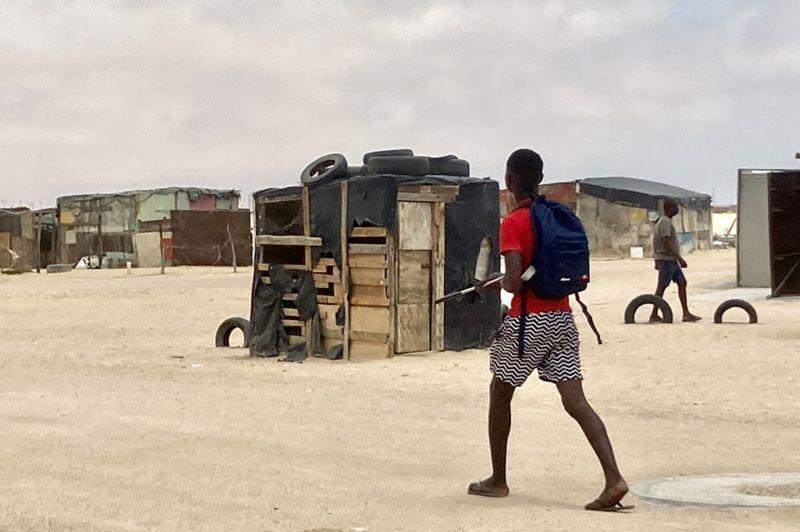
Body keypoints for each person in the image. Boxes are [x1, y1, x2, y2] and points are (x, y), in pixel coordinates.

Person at [467, 149, 631, 512]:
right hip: (563, 318)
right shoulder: (554, 215)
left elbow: (514, 282)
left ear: (509, 179)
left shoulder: (514, 222)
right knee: (577, 402)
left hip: (529, 323)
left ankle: (498, 479)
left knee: (499, 392)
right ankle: (613, 477)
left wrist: (494, 283)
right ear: (539, 178)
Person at [649, 199, 702, 322]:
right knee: (661, 287)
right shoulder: (665, 222)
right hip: (667, 260)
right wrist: (679, 257)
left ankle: (686, 313)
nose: (677, 210)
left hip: (670, 260)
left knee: (682, 283)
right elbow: (666, 240)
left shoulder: (663, 222)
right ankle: (654, 313)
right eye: (675, 208)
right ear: (669, 209)